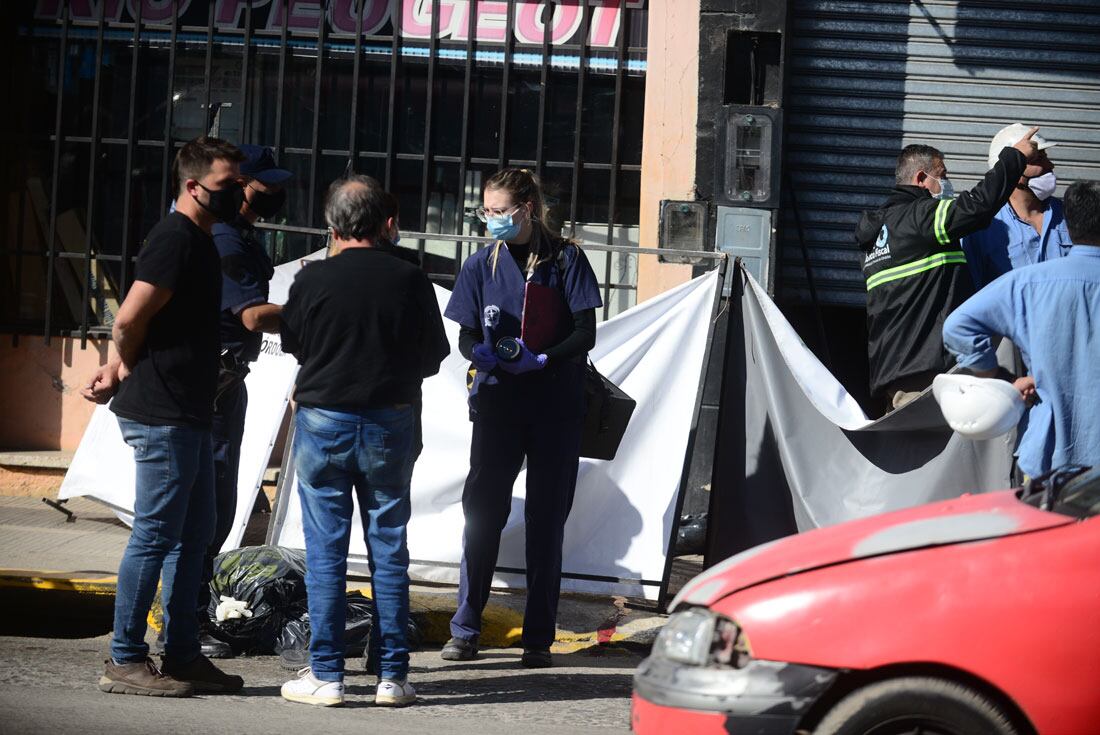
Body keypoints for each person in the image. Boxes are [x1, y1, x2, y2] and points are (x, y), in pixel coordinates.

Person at [80, 137, 246, 697]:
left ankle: (181, 655)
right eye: (226, 185)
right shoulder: (175, 239)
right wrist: (121, 364)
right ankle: (125, 658)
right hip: (163, 413)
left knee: (193, 535)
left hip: (192, 409)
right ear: (193, 186)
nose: (237, 193)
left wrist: (115, 368)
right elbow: (129, 318)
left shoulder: (200, 240)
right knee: (155, 534)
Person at [278, 175, 449, 707]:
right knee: (389, 548)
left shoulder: (311, 280)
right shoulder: (411, 279)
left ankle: (326, 675)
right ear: (388, 223)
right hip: (389, 423)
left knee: (326, 552)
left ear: (331, 226)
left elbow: (294, 345)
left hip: (323, 420)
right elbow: (432, 358)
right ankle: (392, 677)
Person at [440, 168, 602, 669]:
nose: (490, 220)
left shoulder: (567, 259)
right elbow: (465, 334)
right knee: (481, 517)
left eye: (498, 211)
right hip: (498, 405)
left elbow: (585, 332)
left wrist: (547, 359)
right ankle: (465, 630)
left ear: (526, 209)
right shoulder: (479, 265)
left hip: (554, 406)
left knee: (546, 521)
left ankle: (538, 638)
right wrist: (479, 354)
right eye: (485, 211)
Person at [855, 129, 1040, 413]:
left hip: (897, 375)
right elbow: (978, 206)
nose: (947, 182)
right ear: (920, 179)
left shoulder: (878, 234)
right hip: (928, 378)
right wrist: (1014, 157)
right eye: (942, 175)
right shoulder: (919, 217)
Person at [191, 144, 292, 659]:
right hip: (214, 382)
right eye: (262, 186)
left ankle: (192, 620)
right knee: (207, 508)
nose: (273, 195)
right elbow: (252, 316)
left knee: (219, 503)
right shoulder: (228, 237)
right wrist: (313, 311)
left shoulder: (243, 233)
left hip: (229, 378)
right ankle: (185, 627)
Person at [944, 181, 1100, 479]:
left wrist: (1001, 377)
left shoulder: (1027, 283)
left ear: (1070, 225)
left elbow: (957, 326)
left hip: (1049, 462)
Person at [962, 124, 1072, 289]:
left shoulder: (1069, 216)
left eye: (1046, 157)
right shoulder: (983, 229)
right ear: (1014, 170)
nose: (1050, 165)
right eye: (1038, 159)